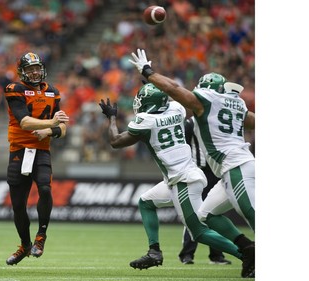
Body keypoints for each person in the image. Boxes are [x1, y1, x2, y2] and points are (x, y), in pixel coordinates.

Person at [99, 83, 254, 278]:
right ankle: (154, 251)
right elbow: (171, 98)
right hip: (179, 177)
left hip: (183, 180)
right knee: (146, 202)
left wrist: (112, 117)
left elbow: (115, 141)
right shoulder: (177, 109)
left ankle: (248, 253)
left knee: (199, 232)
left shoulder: (146, 121)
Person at [129, 49, 255, 277]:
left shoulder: (204, 101)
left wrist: (148, 71)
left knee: (253, 215)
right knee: (206, 215)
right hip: (225, 170)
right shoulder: (235, 103)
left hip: (233, 166)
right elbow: (253, 121)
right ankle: (248, 249)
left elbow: (173, 90)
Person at [4, 52, 69, 265]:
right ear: (22, 71)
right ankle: (24, 244)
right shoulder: (15, 89)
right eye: (30, 69)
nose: (34, 72)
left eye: (37, 68)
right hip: (19, 151)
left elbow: (63, 128)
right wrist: (51, 124)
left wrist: (51, 131)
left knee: (45, 189)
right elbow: (24, 122)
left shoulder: (53, 91)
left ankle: (40, 237)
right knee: (18, 205)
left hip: (41, 151)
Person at [179, 117, 231, 265]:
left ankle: (217, 255)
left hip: (216, 171)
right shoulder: (190, 123)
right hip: (197, 171)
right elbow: (183, 147)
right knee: (195, 212)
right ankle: (187, 254)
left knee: (216, 212)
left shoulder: (217, 121)